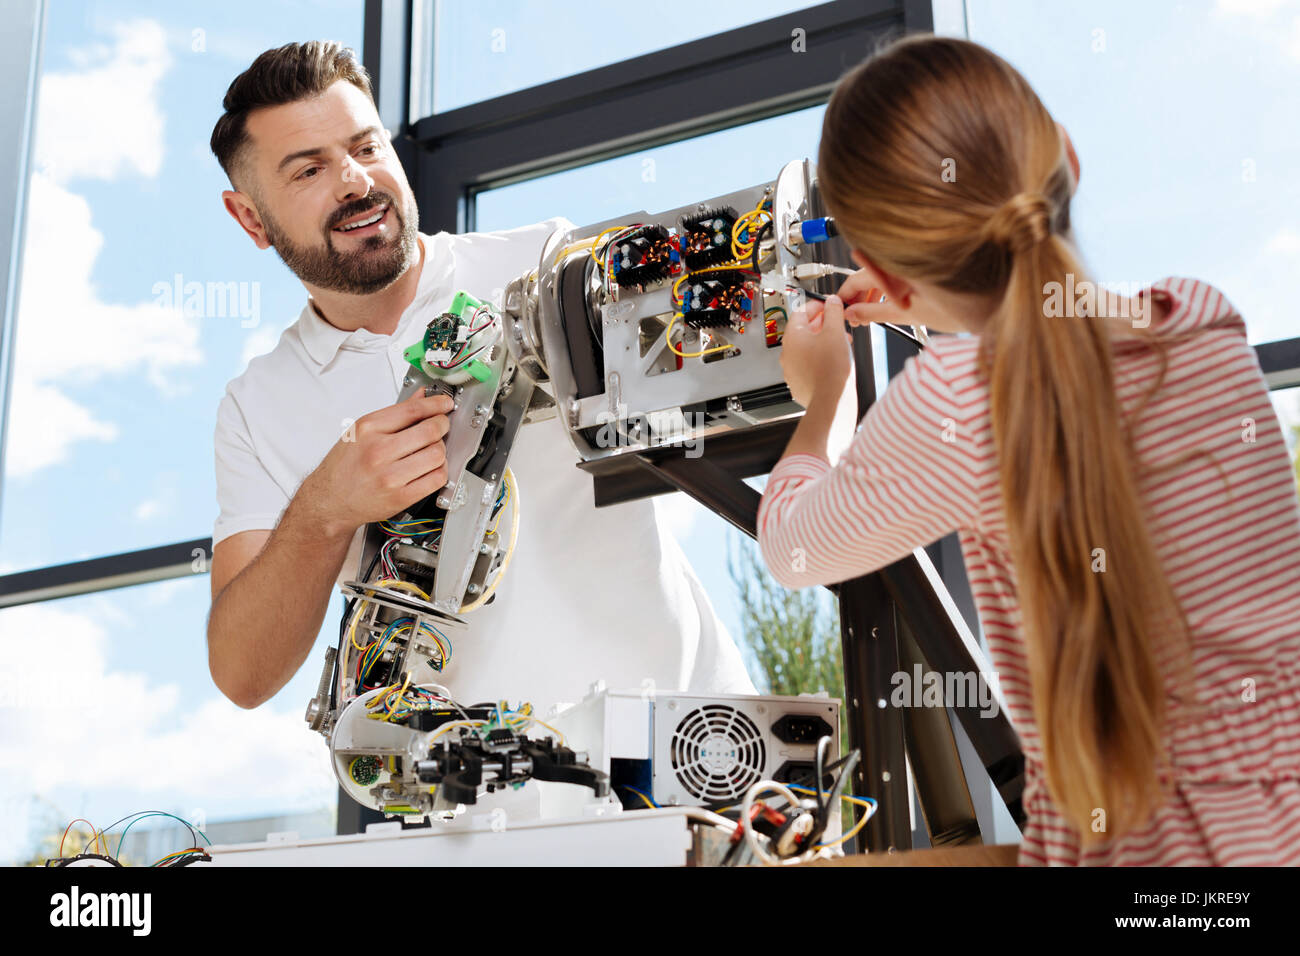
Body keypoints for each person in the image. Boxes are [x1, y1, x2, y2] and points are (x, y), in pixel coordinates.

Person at [759, 34, 1300, 865]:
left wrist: (824, 394)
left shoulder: (953, 397)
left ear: (887, 279)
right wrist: (938, 303)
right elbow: (1056, 347)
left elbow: (794, 547)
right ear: (1069, 160)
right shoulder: (1203, 320)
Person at [205, 42, 755, 719]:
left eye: (366, 146)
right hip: (470, 804)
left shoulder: (546, 261)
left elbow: (740, 367)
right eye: (310, 169)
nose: (354, 181)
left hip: (692, 741)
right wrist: (327, 507)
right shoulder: (258, 408)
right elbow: (243, 673)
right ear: (250, 218)